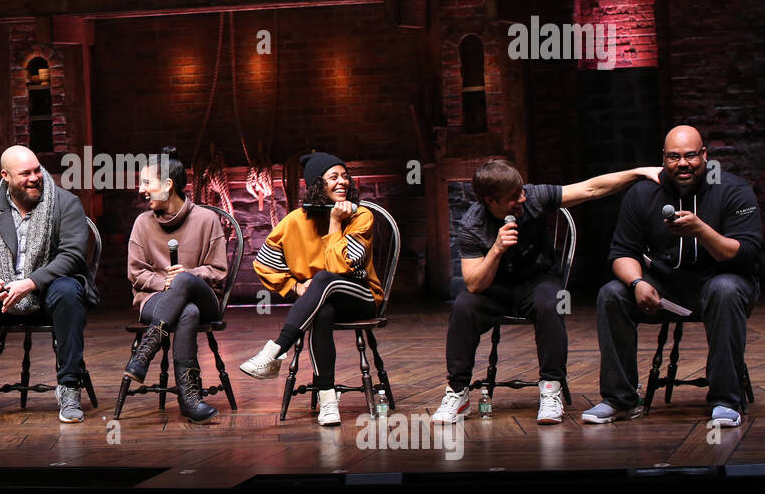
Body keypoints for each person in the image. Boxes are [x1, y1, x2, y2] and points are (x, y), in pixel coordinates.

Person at [431, 158, 660, 426]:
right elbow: (474, 284)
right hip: (494, 288)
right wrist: (496, 249)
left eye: (521, 192)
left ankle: (551, 389)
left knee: (552, 302)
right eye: (513, 197)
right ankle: (458, 393)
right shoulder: (473, 224)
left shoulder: (534, 197)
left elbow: (590, 189)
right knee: (463, 306)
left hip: (537, 281)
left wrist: (637, 172)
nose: (522, 198)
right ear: (490, 201)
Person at [586, 126, 760, 427]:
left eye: (691, 155)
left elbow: (746, 253)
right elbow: (622, 251)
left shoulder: (733, 189)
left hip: (720, 285)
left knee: (725, 289)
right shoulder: (642, 193)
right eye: (674, 157)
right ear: (663, 159)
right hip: (664, 288)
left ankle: (726, 400)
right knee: (611, 293)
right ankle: (619, 399)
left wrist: (701, 231)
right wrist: (637, 283)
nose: (683, 163)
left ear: (704, 155)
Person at [0, 145, 99, 424]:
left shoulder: (65, 202)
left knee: (68, 291)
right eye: (25, 173)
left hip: (49, 294)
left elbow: (73, 256)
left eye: (37, 170)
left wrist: (30, 283)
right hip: (3, 296)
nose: (35, 177)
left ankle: (69, 385)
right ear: (5, 176)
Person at [240, 152, 383, 426]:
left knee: (322, 279)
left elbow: (341, 267)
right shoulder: (295, 220)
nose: (343, 182)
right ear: (317, 184)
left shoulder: (361, 216)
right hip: (322, 301)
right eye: (334, 177)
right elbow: (264, 262)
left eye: (345, 176)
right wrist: (294, 286)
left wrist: (335, 222)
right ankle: (328, 401)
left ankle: (274, 352)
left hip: (361, 295)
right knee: (322, 310)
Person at [125, 148, 229, 422]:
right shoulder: (142, 223)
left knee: (184, 281)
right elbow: (136, 272)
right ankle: (190, 398)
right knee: (187, 313)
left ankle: (143, 354)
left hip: (205, 298)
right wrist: (164, 282)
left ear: (168, 185)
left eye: (147, 182)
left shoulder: (206, 220)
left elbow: (219, 271)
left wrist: (188, 276)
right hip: (155, 300)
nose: (141, 189)